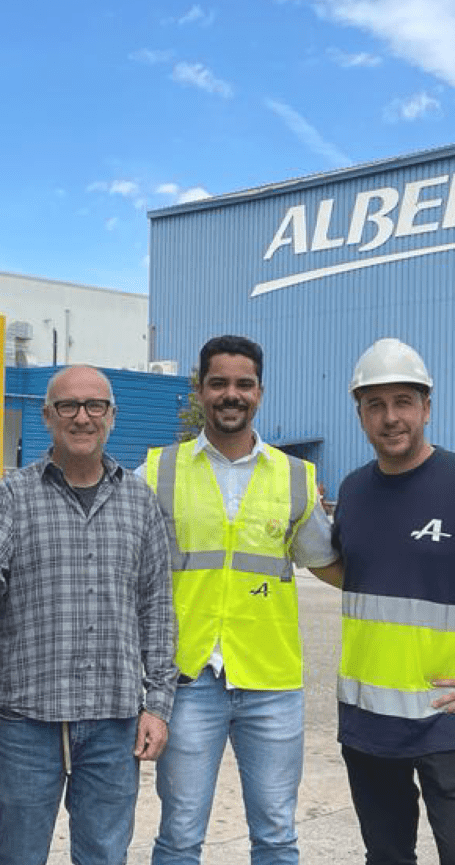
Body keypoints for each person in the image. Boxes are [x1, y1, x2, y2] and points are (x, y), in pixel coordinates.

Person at [0, 364, 177, 865]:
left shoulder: (139, 501)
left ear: (112, 416)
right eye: (68, 406)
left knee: (104, 856)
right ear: (48, 416)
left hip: (114, 722)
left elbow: (156, 607)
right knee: (19, 855)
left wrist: (157, 704)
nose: (82, 417)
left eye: (95, 406)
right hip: (30, 723)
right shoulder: (14, 495)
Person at [141, 334, 341, 865]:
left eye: (243, 384)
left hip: (271, 683)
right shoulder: (157, 471)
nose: (232, 394)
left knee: (276, 835)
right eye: (219, 383)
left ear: (260, 391)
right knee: (180, 834)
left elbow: (329, 562)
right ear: (200, 391)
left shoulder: (296, 477)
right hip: (186, 680)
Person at [334, 338, 455, 864]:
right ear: (361, 414)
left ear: (427, 408)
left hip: (451, 721)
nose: (391, 418)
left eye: (404, 402)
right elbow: (355, 574)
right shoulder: (353, 491)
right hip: (370, 723)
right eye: (375, 404)